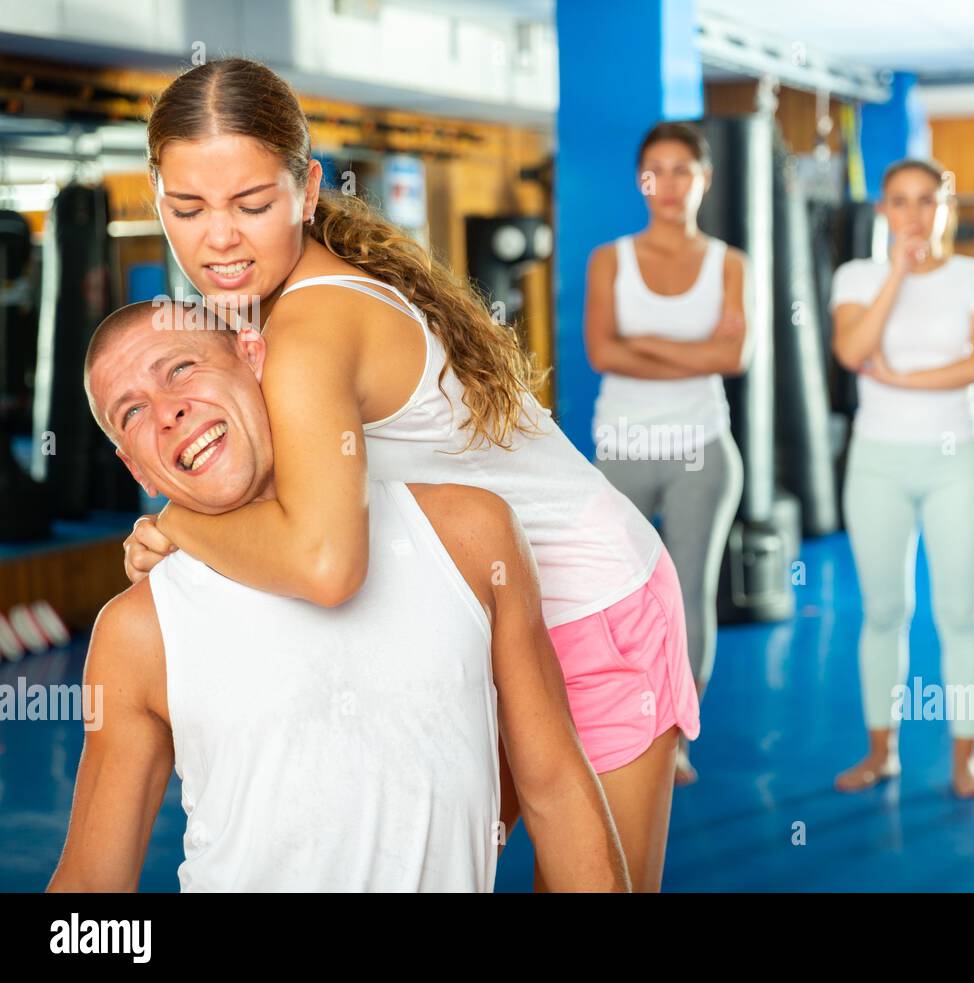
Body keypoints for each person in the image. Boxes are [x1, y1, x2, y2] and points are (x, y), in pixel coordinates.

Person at [121, 58, 695, 889]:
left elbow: (326, 561)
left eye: (252, 204)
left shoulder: (312, 328)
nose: (219, 237)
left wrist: (179, 523)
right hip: (489, 611)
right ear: (155, 195)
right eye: (187, 206)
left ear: (308, 189)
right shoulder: (285, 301)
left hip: (596, 605)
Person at [49, 300, 628, 892]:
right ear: (136, 468)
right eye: (133, 411)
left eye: (180, 369)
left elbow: (555, 788)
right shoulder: (139, 630)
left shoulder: (470, 534)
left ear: (254, 358)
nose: (167, 411)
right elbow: (90, 886)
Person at [829, 158, 974, 799]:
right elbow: (851, 352)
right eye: (899, 202)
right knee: (883, 612)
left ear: (946, 205)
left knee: (959, 613)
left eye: (926, 200)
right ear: (882, 209)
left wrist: (901, 377)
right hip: (877, 462)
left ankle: (966, 761)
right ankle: (882, 753)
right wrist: (897, 274)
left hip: (956, 460)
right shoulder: (857, 277)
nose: (913, 214)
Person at [584, 121, 749, 786]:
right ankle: (616, 725)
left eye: (685, 169)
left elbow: (733, 356)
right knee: (610, 592)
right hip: (622, 443)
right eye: (657, 169)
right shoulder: (610, 260)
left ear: (704, 178)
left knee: (687, 598)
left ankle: (677, 735)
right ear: (640, 180)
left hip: (698, 449)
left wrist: (643, 340)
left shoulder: (729, 265)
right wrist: (691, 349)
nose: (671, 184)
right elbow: (602, 350)